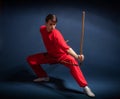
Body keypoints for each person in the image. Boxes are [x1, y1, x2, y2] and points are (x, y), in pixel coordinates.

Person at [27, 14, 95, 97]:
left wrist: (77, 57)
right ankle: (44, 76)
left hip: (62, 56)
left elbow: (67, 49)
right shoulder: (42, 29)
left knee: (73, 63)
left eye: (54, 24)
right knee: (31, 59)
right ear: (46, 23)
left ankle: (85, 87)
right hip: (51, 56)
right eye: (50, 24)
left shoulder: (56, 34)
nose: (53, 27)